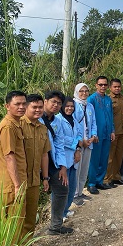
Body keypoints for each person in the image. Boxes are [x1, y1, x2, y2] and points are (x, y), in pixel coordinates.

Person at [0, 90, 28, 241]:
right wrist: (17, 185)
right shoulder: (8, 127)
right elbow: (9, 156)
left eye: (23, 103)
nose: (21, 107)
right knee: (12, 223)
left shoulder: (16, 123)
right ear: (7, 106)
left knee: (17, 221)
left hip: (14, 182)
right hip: (11, 185)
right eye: (17, 104)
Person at [40, 91, 72, 235]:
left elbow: (59, 144)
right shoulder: (36, 119)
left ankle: (55, 226)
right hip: (36, 162)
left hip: (53, 162)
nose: (56, 105)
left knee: (62, 188)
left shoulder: (57, 121)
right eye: (53, 101)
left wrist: (63, 167)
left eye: (59, 103)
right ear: (45, 101)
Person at [20, 94, 51, 240]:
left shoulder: (42, 128)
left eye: (40, 107)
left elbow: (44, 155)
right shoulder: (18, 125)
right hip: (19, 180)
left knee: (31, 215)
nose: (38, 110)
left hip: (34, 179)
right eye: (34, 107)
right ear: (26, 107)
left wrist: (45, 178)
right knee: (17, 216)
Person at [87, 76, 115, 192]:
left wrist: (112, 131)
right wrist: (93, 134)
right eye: (100, 84)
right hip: (96, 134)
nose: (103, 87)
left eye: (105, 85)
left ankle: (100, 181)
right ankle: (91, 183)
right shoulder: (91, 99)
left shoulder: (108, 99)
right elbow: (89, 118)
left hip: (107, 133)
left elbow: (111, 117)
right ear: (96, 85)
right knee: (95, 159)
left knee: (104, 158)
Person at [58, 96, 83, 220]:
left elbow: (79, 134)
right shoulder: (58, 119)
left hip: (74, 157)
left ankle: (66, 209)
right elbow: (60, 138)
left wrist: (78, 149)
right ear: (62, 107)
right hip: (64, 158)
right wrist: (76, 143)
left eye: (72, 106)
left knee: (72, 187)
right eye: (67, 106)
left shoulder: (74, 119)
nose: (69, 108)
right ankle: (59, 213)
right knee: (62, 187)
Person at [73, 83, 98, 200]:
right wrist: (81, 140)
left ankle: (80, 192)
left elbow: (93, 122)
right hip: (78, 143)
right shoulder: (73, 105)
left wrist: (93, 136)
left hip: (89, 142)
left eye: (86, 91)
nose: (84, 93)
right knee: (76, 169)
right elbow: (73, 125)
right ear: (77, 92)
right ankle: (74, 194)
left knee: (84, 168)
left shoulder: (90, 106)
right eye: (81, 91)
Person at [104, 79, 123, 187]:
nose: (117, 88)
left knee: (118, 157)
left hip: (122, 132)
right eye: (115, 87)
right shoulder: (107, 100)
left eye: (119, 86)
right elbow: (106, 117)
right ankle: (107, 179)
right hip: (112, 133)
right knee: (110, 157)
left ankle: (116, 177)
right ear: (110, 88)